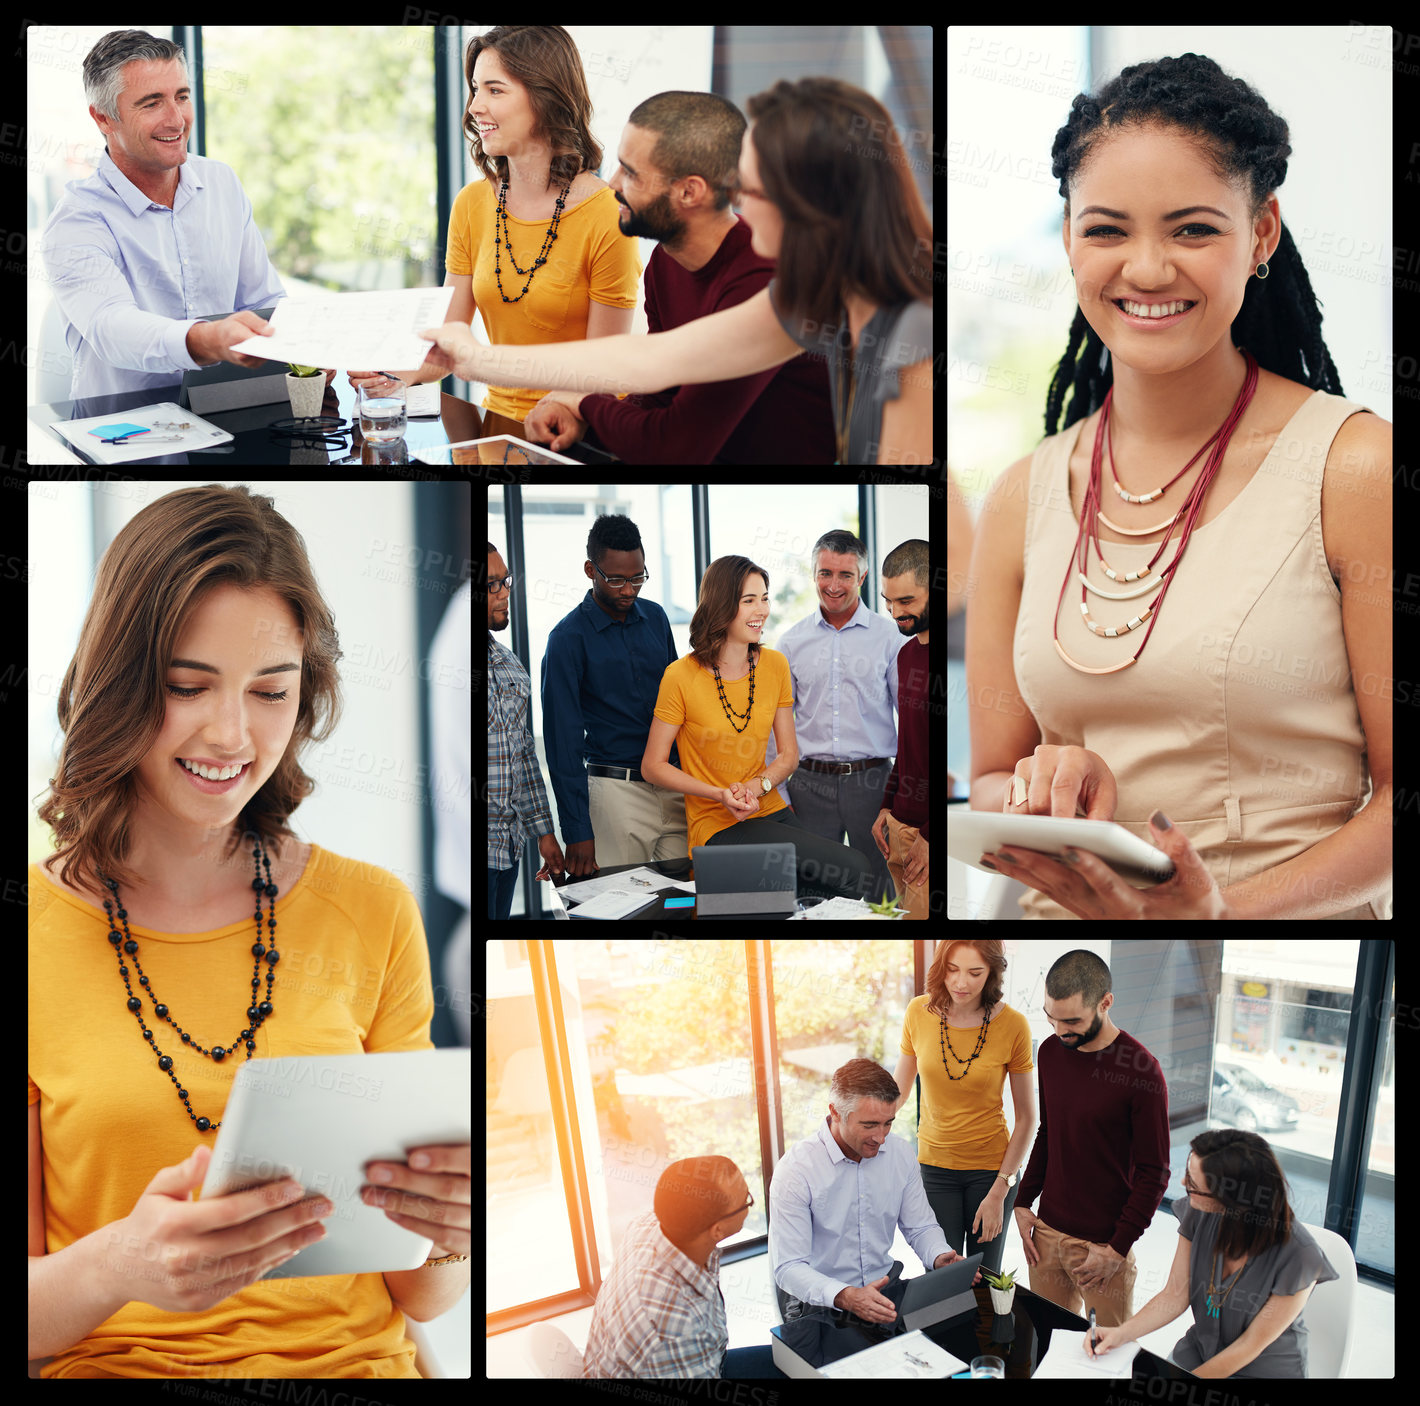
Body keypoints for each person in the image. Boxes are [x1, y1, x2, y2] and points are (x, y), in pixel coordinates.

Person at [29, 485, 469, 1377]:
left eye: (272, 691)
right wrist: (123, 1263)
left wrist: (453, 1232)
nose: (232, 734)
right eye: (189, 686)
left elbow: (416, 1293)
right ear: (116, 683)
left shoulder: (374, 911)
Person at [967, 52, 1391, 919]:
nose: (1148, 269)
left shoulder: (1354, 470)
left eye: (1193, 230)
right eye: (1107, 230)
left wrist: (1219, 916)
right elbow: (987, 781)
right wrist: (1043, 786)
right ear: (1069, 238)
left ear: (1262, 234)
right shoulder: (1021, 496)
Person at [419, 78, 934, 464]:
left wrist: (573, 399)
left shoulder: (912, 337)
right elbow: (652, 359)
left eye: (750, 190)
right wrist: (476, 359)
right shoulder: (804, 300)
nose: (737, 205)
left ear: (811, 209)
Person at [525, 91, 835, 464]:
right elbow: (662, 392)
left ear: (690, 191)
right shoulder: (665, 261)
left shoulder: (758, 280)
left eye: (631, 172)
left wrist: (585, 403)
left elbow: (672, 446)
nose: (613, 183)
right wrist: (585, 421)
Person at [351, 26, 638, 420]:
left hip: (584, 427)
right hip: (497, 422)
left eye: (495, 90)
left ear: (546, 98)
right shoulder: (472, 203)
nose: (474, 107)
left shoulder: (606, 212)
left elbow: (604, 368)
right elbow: (447, 349)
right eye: (475, 89)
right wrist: (389, 373)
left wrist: (552, 414)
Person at [43, 30, 284, 400]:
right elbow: (112, 327)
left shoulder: (221, 183)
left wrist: (300, 346)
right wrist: (207, 339)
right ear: (104, 118)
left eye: (182, 96)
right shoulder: (77, 220)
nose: (177, 119)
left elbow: (264, 303)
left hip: (228, 412)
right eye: (152, 103)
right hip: (125, 433)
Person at [642, 556, 877, 902]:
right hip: (716, 823)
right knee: (851, 868)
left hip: (767, 809)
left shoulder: (775, 665)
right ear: (722, 605)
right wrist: (720, 794)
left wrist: (757, 786)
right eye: (749, 600)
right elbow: (653, 765)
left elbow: (788, 755)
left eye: (764, 598)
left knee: (838, 881)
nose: (762, 610)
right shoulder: (680, 676)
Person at [1086, 1130, 1337, 1378]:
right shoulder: (1198, 1212)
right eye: (1187, 1174)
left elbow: (1250, 1345)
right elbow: (1174, 1295)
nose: (1184, 1184)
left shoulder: (1301, 1257)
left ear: (1231, 1200)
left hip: (1264, 1369)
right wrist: (1121, 1333)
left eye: (1193, 1185)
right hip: (1201, 1351)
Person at [1011, 950, 1169, 1329]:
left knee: (1104, 1356)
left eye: (1073, 1021)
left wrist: (1117, 1248)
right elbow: (1049, 1131)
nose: (1060, 1030)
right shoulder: (1050, 1052)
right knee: (1046, 1344)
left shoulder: (1143, 1072)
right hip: (1046, 1235)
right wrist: (1022, 1201)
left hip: (1102, 1247)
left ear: (1105, 1003)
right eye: (1052, 1018)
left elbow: (1154, 1173)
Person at [769, 1059, 972, 1325]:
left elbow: (920, 1226)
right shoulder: (796, 1170)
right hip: (820, 1301)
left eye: (888, 1123)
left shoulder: (900, 1154)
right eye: (869, 1125)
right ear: (836, 1112)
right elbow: (788, 1266)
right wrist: (846, 1295)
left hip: (884, 1286)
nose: (881, 1137)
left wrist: (937, 1254)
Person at [540, 513, 688, 876]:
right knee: (618, 913)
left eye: (638, 578)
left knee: (687, 904)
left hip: (675, 787)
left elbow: (680, 705)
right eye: (617, 579)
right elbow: (563, 745)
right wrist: (577, 830)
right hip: (615, 795)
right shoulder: (566, 639)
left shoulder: (656, 618)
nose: (629, 590)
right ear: (591, 570)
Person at [774, 529, 903, 905]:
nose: (833, 584)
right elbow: (775, 730)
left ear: (862, 578)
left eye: (845, 574)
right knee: (814, 897)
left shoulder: (890, 638)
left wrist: (898, 796)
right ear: (813, 574)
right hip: (809, 784)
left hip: (873, 784)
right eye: (825, 573)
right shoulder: (791, 643)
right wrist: (781, 794)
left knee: (883, 897)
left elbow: (909, 722)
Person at [894, 941, 1034, 1277]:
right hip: (934, 1167)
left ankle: (986, 1332)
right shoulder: (918, 1012)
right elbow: (897, 1092)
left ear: (992, 973)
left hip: (992, 1172)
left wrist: (1000, 1190)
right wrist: (864, 1126)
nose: (961, 982)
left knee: (985, 1279)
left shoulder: (1014, 1025)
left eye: (975, 973)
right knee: (942, 1276)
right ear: (941, 967)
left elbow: (1028, 1118)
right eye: (953, 970)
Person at [582, 1156, 785, 1378]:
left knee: (793, 1361)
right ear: (717, 1230)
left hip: (689, 1362)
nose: (750, 1204)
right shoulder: (675, 1330)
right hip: (679, 1365)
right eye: (747, 1200)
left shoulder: (649, 1224)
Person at [487, 541, 560, 914]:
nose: (504, 594)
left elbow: (525, 755)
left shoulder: (509, 664)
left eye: (506, 581)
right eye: (491, 586)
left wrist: (545, 835)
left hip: (508, 849)